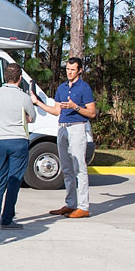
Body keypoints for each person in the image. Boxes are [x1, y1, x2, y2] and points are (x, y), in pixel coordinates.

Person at [31, 56, 96, 218]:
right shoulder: (62, 88)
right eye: (67, 69)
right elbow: (56, 111)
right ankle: (70, 204)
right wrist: (38, 103)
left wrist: (75, 107)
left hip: (77, 127)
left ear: (80, 71)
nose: (69, 72)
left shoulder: (84, 88)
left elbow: (92, 113)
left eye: (73, 70)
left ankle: (83, 207)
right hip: (62, 128)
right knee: (66, 168)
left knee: (79, 168)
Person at [0, 63, 36, 230]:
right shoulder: (23, 97)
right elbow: (33, 117)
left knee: (0, 178)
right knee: (14, 180)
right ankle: (7, 219)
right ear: (20, 78)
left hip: (1, 140)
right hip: (18, 140)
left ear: (5, 77)